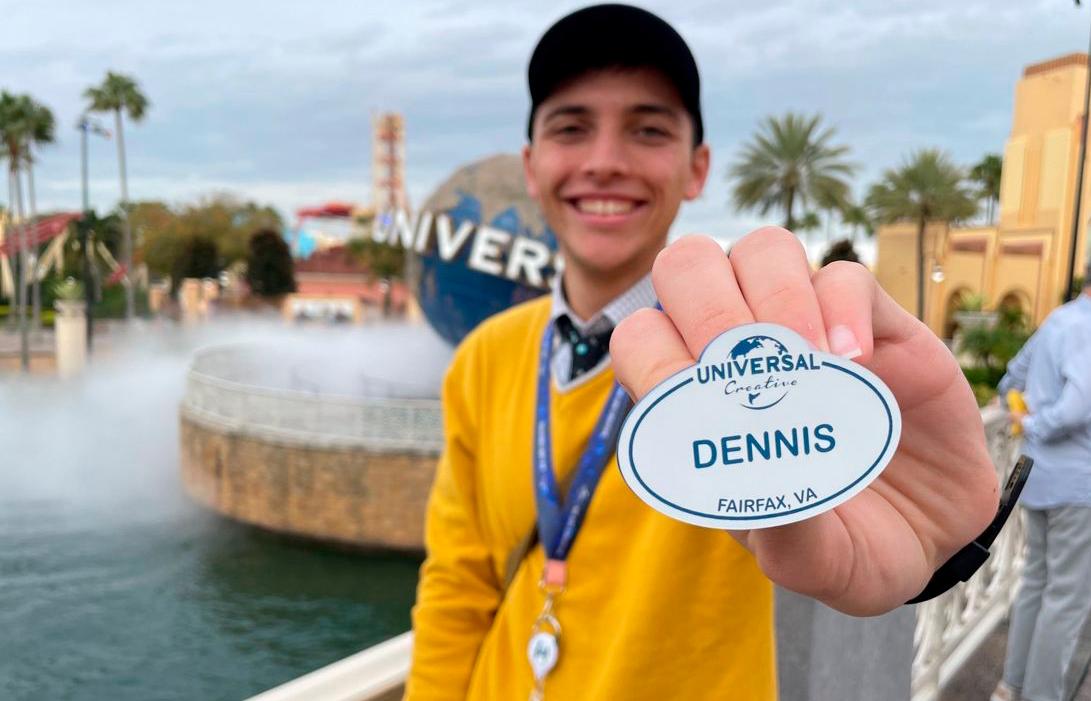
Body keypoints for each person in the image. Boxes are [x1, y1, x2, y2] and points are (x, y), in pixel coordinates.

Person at [406, 5, 998, 699]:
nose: (604, 161)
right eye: (571, 127)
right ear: (531, 168)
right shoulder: (485, 355)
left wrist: (937, 543)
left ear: (697, 168)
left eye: (648, 129)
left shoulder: (761, 356)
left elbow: (854, 519)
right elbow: (457, 581)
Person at [992, 270, 1091, 701]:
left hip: (1037, 475)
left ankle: (1011, 685)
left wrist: (1024, 416)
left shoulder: (1058, 319)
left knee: (1036, 580)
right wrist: (1036, 422)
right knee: (1067, 597)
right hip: (1078, 482)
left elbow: (1009, 382)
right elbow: (1077, 408)